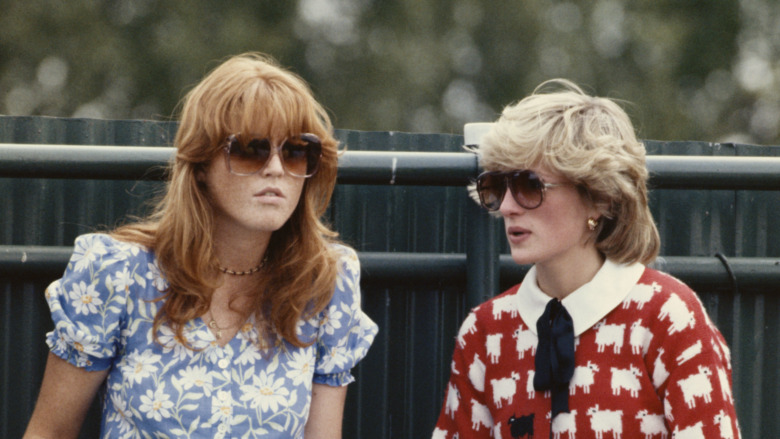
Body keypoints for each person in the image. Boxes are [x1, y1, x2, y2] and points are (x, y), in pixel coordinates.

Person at [24, 52, 378, 439]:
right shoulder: (119, 273)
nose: (276, 168)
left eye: (295, 151)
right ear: (201, 165)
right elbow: (50, 432)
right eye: (250, 148)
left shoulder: (323, 283)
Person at [432, 79, 740, 438]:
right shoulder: (484, 332)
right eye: (496, 187)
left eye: (530, 186)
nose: (507, 206)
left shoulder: (669, 318)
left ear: (599, 197)